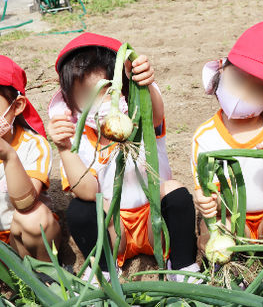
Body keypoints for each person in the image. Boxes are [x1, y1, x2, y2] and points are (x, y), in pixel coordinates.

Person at [48, 33, 198, 282]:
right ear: (71, 101)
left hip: (154, 225)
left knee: (174, 191)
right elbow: (86, 191)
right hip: (114, 233)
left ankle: (184, 267)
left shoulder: (141, 116)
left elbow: (156, 115)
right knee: (81, 210)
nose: (102, 101)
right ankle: (105, 270)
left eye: (108, 90)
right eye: (87, 94)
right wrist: (64, 148)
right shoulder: (79, 136)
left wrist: (145, 81)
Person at [192, 19, 263, 251]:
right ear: (222, 70)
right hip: (233, 221)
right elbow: (208, 194)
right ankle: (230, 270)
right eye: (240, 79)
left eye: (258, 89)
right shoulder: (205, 136)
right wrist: (205, 203)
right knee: (214, 229)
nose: (243, 93)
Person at [0, 55, 60, 261]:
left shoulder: (32, 146)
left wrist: (8, 155)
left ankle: (44, 277)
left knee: (34, 218)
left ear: (16, 106)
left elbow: (25, 204)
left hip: (17, 239)